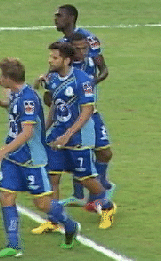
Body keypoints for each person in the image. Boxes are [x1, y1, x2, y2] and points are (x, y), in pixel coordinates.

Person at [0, 57, 80, 258]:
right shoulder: (14, 92)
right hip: (13, 157)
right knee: (6, 196)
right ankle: (13, 244)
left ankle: (70, 225)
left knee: (42, 204)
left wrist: (0, 152)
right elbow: (7, 97)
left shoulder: (28, 99)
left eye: (1, 75)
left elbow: (27, 133)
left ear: (9, 78)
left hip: (31, 159)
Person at [32, 42, 116, 232]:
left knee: (86, 178)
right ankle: (54, 220)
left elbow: (87, 111)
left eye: (54, 57)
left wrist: (68, 135)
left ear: (66, 60)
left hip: (79, 135)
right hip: (59, 132)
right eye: (50, 56)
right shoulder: (53, 78)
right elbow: (55, 104)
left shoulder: (82, 80)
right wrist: (46, 129)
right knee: (52, 176)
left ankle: (107, 206)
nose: (50, 60)